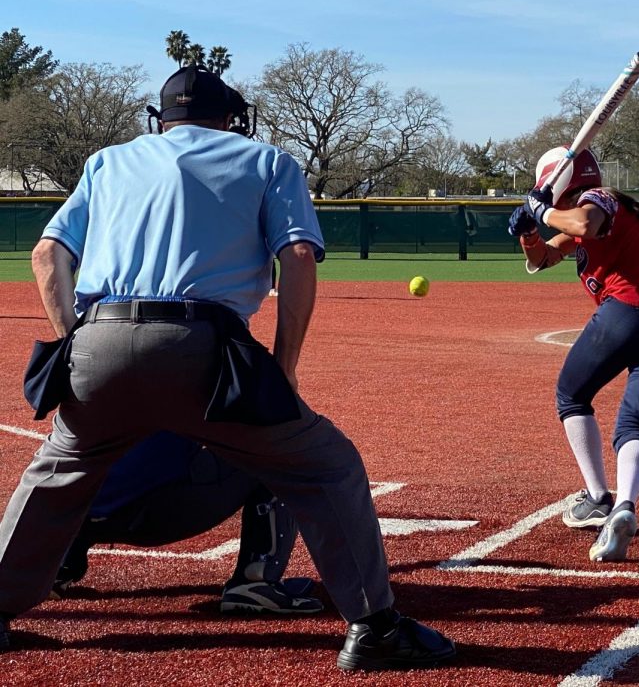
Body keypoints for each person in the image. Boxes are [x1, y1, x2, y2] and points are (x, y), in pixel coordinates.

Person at [0, 65, 455, 671]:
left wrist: (73, 343)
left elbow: (47, 252)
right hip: (202, 344)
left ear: (161, 120)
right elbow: (296, 255)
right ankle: (373, 626)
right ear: (228, 118)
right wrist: (284, 366)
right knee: (326, 465)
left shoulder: (109, 162)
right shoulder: (267, 161)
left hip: (100, 337)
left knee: (56, 474)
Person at [507, 146, 639, 563]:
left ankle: (597, 498)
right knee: (633, 424)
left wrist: (543, 212)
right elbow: (542, 258)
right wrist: (529, 231)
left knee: (571, 394)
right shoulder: (606, 211)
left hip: (627, 315)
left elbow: (586, 223)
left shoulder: (599, 200)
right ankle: (624, 507)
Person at [51, 430, 323, 615]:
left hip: (73, 510)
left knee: (76, 445)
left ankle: (56, 565)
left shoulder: (84, 353)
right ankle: (256, 579)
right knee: (279, 447)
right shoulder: (186, 353)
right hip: (151, 512)